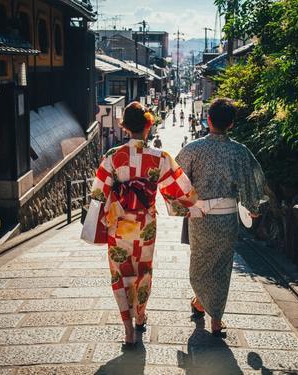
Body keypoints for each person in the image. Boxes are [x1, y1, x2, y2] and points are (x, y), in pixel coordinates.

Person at [90, 102, 197, 349]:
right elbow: (180, 189)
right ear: (148, 125)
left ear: (125, 127)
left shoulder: (112, 157)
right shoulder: (160, 158)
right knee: (143, 271)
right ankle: (140, 315)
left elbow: (97, 194)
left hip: (119, 224)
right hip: (146, 223)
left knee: (120, 271)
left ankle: (128, 328)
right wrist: (194, 206)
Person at [176, 98, 266, 336]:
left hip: (200, 217)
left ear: (208, 120)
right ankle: (214, 317)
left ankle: (202, 304)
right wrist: (252, 205)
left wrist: (181, 206)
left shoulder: (192, 149)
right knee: (222, 267)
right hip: (227, 219)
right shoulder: (239, 151)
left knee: (200, 262)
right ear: (232, 125)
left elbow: (175, 179)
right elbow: (254, 178)